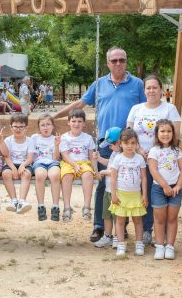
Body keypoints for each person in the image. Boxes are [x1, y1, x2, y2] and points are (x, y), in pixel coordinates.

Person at [53, 46, 145, 242]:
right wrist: (55, 116)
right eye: (114, 60)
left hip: (128, 144)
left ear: (126, 62)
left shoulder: (137, 84)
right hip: (105, 143)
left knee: (126, 185)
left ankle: (121, 225)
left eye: (122, 60)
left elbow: (146, 109)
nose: (118, 63)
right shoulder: (99, 84)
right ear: (108, 63)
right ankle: (99, 226)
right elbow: (80, 104)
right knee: (103, 185)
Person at [126, 75, 181, 246]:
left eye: (155, 87)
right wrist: (139, 150)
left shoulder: (169, 109)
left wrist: (156, 150)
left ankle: (161, 231)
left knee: (157, 193)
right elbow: (128, 133)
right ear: (144, 90)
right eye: (148, 88)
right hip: (139, 158)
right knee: (143, 194)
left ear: (161, 89)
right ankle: (145, 230)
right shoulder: (136, 109)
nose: (151, 91)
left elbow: (175, 135)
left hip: (161, 160)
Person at [148, 119, 182, 260]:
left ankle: (170, 246)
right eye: (162, 131)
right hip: (159, 189)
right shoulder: (154, 151)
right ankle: (160, 246)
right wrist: (164, 186)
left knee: (172, 218)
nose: (166, 134)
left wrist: (178, 185)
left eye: (169, 131)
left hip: (175, 190)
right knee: (159, 219)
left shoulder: (176, 150)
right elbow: (153, 170)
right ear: (157, 133)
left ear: (173, 133)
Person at [108, 129, 147, 257]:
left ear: (137, 144)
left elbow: (144, 178)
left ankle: (139, 243)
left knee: (138, 220)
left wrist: (144, 195)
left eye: (133, 143)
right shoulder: (118, 158)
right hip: (121, 195)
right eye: (126, 143)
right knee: (120, 221)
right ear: (121, 144)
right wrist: (113, 195)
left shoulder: (140, 159)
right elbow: (113, 178)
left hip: (136, 195)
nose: (130, 146)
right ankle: (120, 244)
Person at [59, 108, 98, 222]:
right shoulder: (64, 137)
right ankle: (67, 207)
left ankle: (86, 207)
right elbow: (65, 155)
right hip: (68, 163)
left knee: (88, 175)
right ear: (68, 122)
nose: (76, 124)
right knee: (66, 176)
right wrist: (74, 165)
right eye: (74, 121)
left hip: (84, 162)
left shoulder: (88, 138)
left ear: (84, 123)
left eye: (80, 121)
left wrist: (95, 170)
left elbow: (91, 156)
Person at [93, 127, 122, 249]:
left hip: (118, 191)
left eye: (111, 144)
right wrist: (99, 158)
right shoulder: (114, 153)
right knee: (107, 215)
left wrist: (103, 172)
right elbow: (109, 163)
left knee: (117, 217)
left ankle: (117, 237)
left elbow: (115, 172)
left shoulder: (124, 156)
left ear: (120, 142)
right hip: (108, 190)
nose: (109, 147)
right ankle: (107, 236)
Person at [31, 114, 61, 221]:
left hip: (53, 163)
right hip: (39, 163)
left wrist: (57, 145)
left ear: (53, 126)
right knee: (40, 175)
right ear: (39, 127)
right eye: (42, 125)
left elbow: (56, 158)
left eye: (48, 124)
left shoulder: (55, 138)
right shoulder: (34, 138)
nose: (45, 127)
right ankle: (41, 206)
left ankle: (55, 206)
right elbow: (30, 154)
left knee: (55, 175)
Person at [2, 114, 34, 214]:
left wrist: (22, 165)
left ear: (26, 128)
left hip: (25, 164)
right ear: (11, 127)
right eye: (15, 126)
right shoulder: (8, 140)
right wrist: (13, 168)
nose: (18, 129)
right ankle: (13, 200)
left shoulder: (30, 141)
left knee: (26, 174)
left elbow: (30, 158)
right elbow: (6, 157)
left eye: (21, 127)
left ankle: (22, 201)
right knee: (6, 174)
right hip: (10, 164)